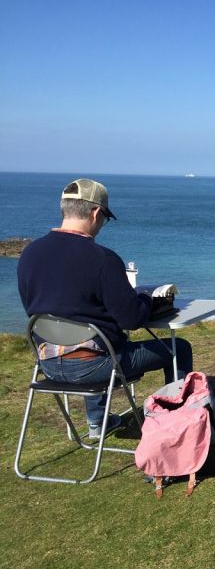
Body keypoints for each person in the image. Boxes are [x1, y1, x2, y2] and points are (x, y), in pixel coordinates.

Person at [17, 178, 193, 438]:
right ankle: (177, 424)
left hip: (48, 364)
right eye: (105, 218)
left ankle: (97, 423)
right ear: (96, 212)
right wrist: (145, 299)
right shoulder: (103, 259)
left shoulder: (29, 254)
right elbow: (131, 319)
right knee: (179, 347)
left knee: (93, 335)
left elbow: (35, 309)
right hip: (95, 366)